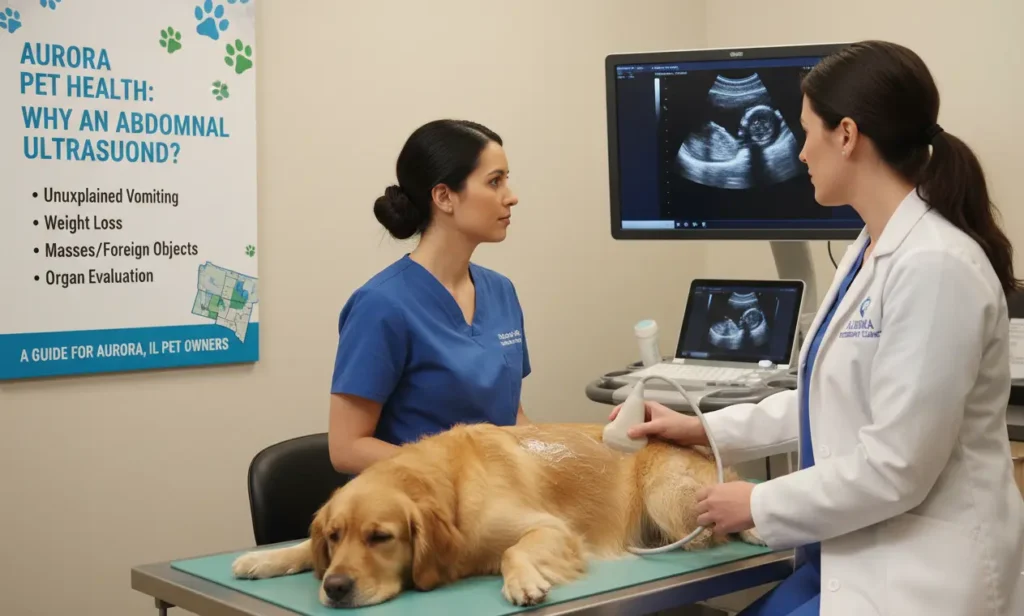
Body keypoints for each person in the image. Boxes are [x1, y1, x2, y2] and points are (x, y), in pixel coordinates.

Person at [611, 40, 1024, 615]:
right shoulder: (870, 248)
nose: (800, 152)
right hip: (851, 556)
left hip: (917, 578)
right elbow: (825, 400)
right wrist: (703, 428)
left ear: (848, 135)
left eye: (807, 133)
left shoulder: (935, 266)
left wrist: (758, 504)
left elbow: (897, 468)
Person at [328, 119, 531, 475]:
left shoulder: (501, 291)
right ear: (443, 197)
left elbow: (511, 416)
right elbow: (347, 448)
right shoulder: (381, 305)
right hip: (417, 508)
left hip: (495, 500)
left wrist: (563, 453)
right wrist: (458, 469)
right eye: (495, 181)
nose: (511, 196)